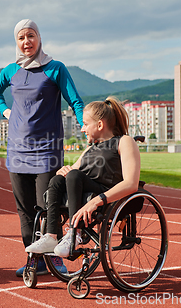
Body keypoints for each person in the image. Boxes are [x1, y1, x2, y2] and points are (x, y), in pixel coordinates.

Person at [0, 19, 84, 277]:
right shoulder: (10, 70)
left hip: (47, 149)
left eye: (30, 36)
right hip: (17, 149)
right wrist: (6, 111)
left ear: (39, 38)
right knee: (24, 210)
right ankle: (35, 259)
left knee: (48, 206)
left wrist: (86, 125)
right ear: (16, 43)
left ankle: (55, 259)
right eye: (21, 38)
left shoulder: (56, 69)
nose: (26, 42)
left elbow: (75, 100)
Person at [25, 96, 141, 258]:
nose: (82, 129)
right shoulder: (91, 147)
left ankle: (75, 233)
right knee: (58, 180)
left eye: (85, 124)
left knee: (73, 176)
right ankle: (51, 236)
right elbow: (73, 172)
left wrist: (96, 201)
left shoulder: (124, 141)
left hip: (106, 194)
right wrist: (63, 171)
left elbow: (131, 183)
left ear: (100, 125)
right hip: (85, 191)